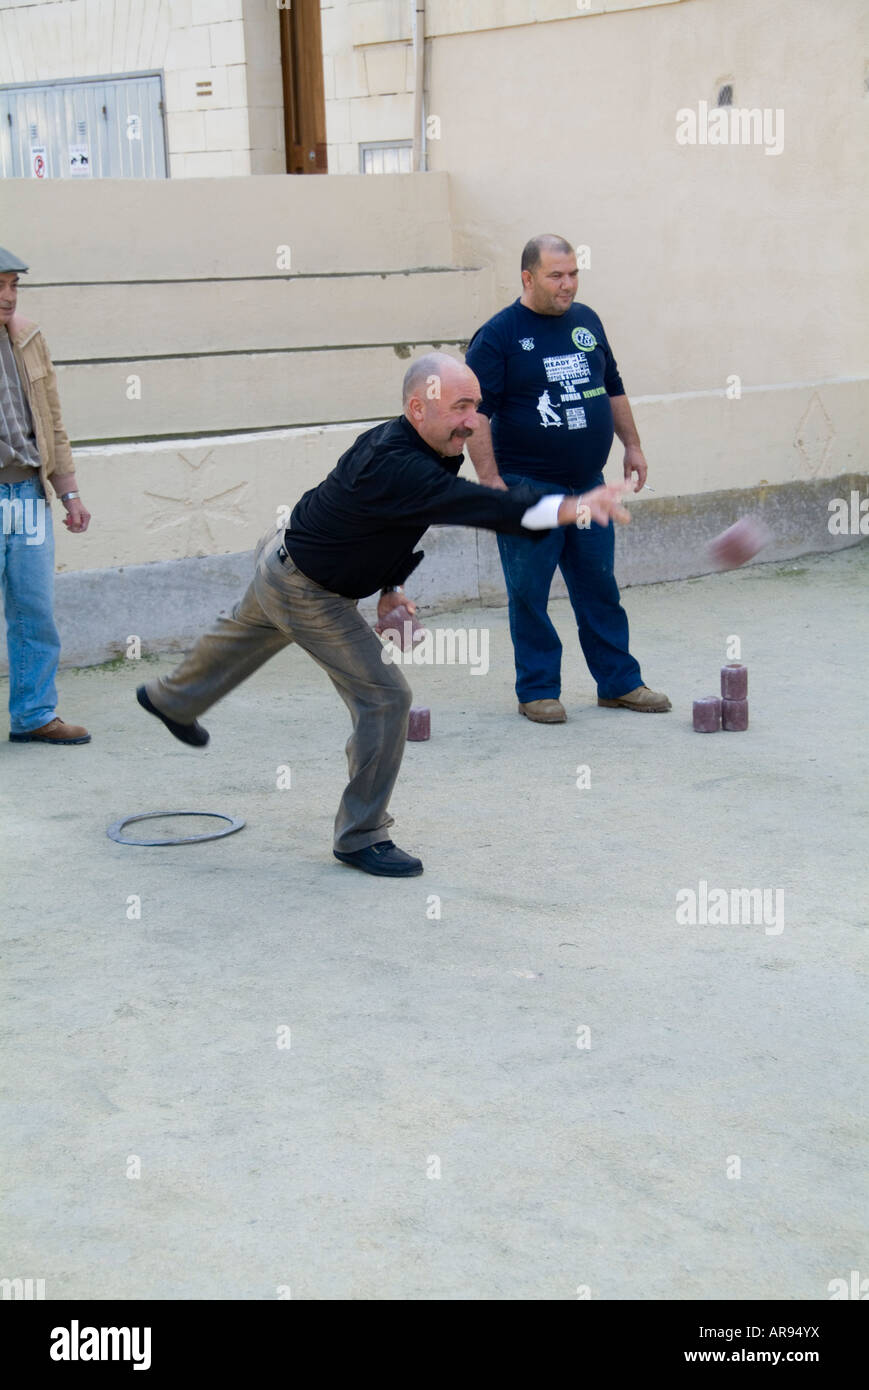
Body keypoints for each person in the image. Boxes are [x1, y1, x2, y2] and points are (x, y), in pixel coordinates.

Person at [137, 353, 631, 877]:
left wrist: (391, 587)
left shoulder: (428, 444)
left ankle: (170, 699)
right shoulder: (396, 461)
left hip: (283, 558)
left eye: (477, 407)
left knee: (245, 634)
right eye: (461, 407)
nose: (473, 421)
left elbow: (402, 521)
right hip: (309, 589)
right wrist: (569, 506)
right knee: (387, 698)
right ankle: (361, 835)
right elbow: (485, 508)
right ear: (418, 407)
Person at [465, 234, 671, 724]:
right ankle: (537, 690)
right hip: (527, 487)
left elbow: (613, 386)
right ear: (528, 278)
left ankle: (619, 683)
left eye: (574, 273)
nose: (568, 284)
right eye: (556, 275)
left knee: (599, 586)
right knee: (530, 592)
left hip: (589, 486)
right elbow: (474, 413)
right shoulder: (498, 336)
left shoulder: (587, 321)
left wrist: (633, 445)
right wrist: (490, 479)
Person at [0, 246, 92, 744]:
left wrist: (69, 493)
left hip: (28, 495)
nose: (9, 296)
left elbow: (51, 422)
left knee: (34, 610)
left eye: (14, 284)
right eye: (0, 285)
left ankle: (34, 715)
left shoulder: (28, 337)